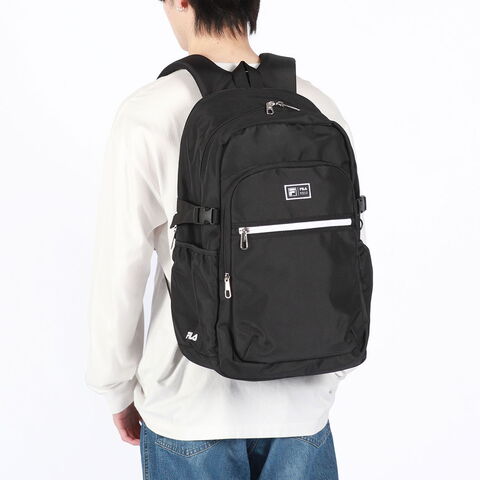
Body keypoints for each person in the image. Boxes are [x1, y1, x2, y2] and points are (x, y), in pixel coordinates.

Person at [86, 1, 360, 478]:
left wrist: (116, 388)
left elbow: (120, 268)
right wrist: (328, 375)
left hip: (191, 406)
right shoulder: (316, 104)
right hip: (302, 407)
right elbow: (344, 253)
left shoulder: (149, 112)